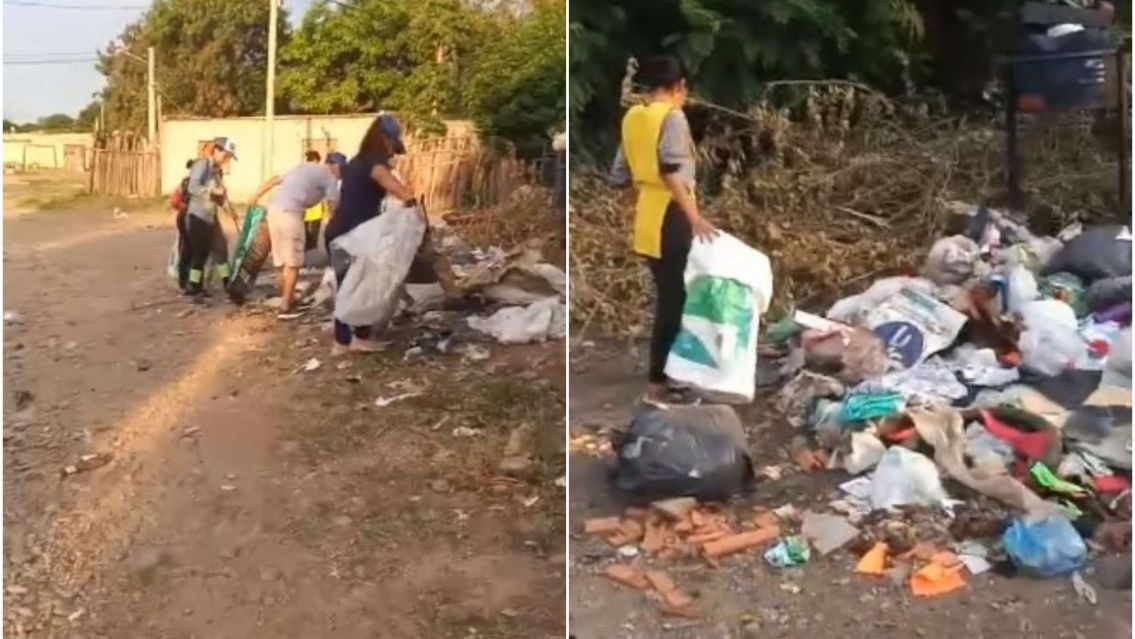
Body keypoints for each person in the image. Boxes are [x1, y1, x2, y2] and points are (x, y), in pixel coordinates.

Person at [609, 55, 717, 407]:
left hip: (647, 218)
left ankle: (670, 374)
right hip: (672, 216)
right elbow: (671, 171)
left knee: (670, 298)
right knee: (674, 303)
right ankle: (658, 382)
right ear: (679, 87)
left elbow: (620, 177)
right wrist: (695, 218)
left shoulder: (633, 117)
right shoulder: (672, 117)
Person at [324, 113, 417, 355]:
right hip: (351, 234)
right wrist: (411, 200)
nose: (392, 153)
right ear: (385, 139)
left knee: (354, 284)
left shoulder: (357, 160)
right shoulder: (374, 161)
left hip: (342, 230)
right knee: (357, 285)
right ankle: (349, 340)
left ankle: (346, 340)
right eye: (392, 147)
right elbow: (389, 183)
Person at [249, 151, 346, 319]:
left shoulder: (303, 168)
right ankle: (286, 307)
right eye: (341, 170)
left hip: (273, 212)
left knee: (282, 260)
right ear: (335, 165)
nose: (340, 176)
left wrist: (255, 195)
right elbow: (333, 205)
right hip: (291, 215)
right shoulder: (329, 177)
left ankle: (287, 298)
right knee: (294, 262)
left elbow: (275, 179)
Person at [185, 137, 238, 298]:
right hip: (197, 216)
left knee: (221, 249)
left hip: (211, 216)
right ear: (216, 150)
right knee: (200, 253)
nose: (226, 159)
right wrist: (212, 192)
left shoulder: (216, 171)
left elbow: (219, 196)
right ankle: (194, 287)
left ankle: (228, 284)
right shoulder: (202, 165)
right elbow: (192, 187)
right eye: (225, 155)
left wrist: (225, 203)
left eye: (229, 157)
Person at [169, 158, 195, 291]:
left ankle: (192, 282)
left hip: (195, 220)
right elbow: (174, 201)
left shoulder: (197, 182)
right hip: (186, 219)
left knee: (194, 252)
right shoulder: (187, 183)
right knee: (187, 251)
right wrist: (183, 206)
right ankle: (184, 282)